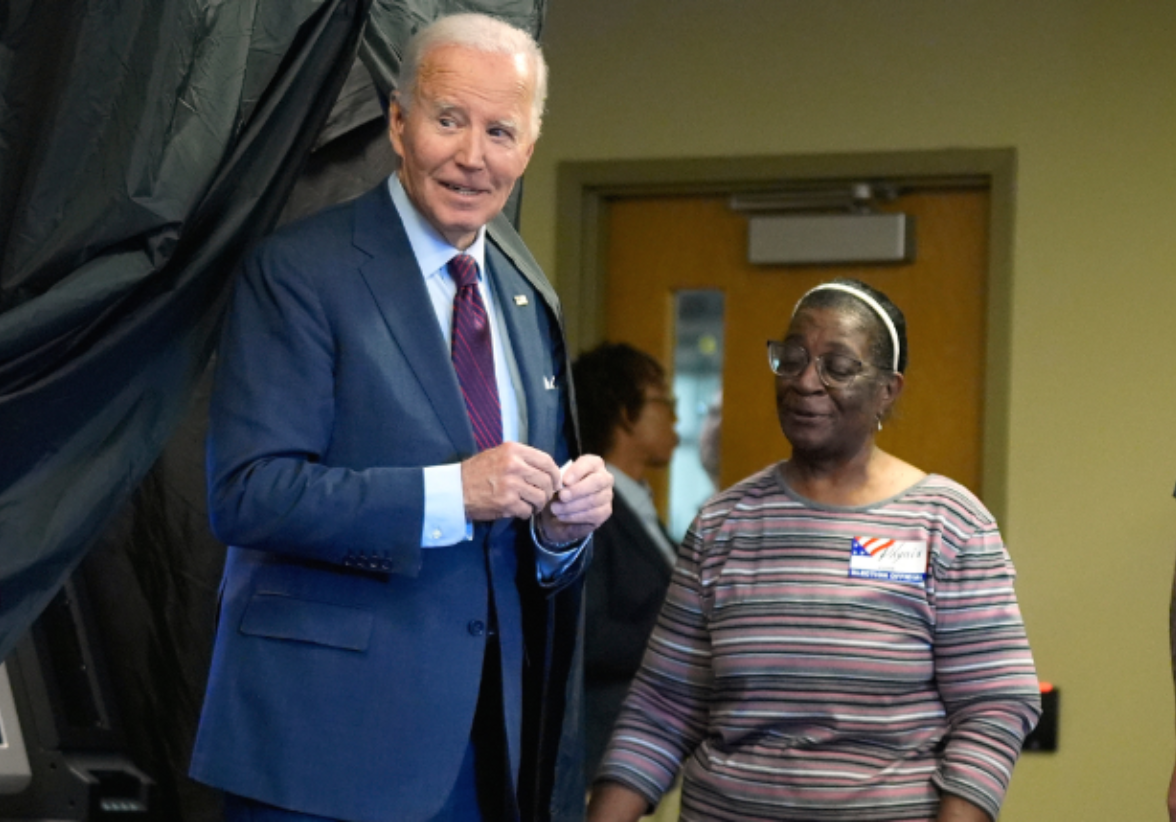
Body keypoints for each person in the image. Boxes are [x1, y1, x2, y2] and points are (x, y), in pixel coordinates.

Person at [189, 14, 613, 822]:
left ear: (528, 148)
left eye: (500, 131)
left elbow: (521, 524)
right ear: (397, 120)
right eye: (448, 119)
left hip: (489, 751)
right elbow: (249, 495)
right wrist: (452, 493)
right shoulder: (299, 273)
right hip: (324, 749)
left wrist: (562, 534)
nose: (472, 156)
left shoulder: (530, 294)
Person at [587, 279, 1040, 822]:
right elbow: (662, 706)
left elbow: (994, 708)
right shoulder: (723, 524)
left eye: (838, 368)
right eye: (792, 359)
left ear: (888, 390)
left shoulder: (947, 524)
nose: (805, 382)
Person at [572, 343, 680, 779]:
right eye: (663, 402)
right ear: (625, 413)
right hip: (608, 753)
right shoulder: (587, 505)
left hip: (654, 747)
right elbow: (587, 635)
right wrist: (687, 632)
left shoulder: (638, 503)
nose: (676, 417)